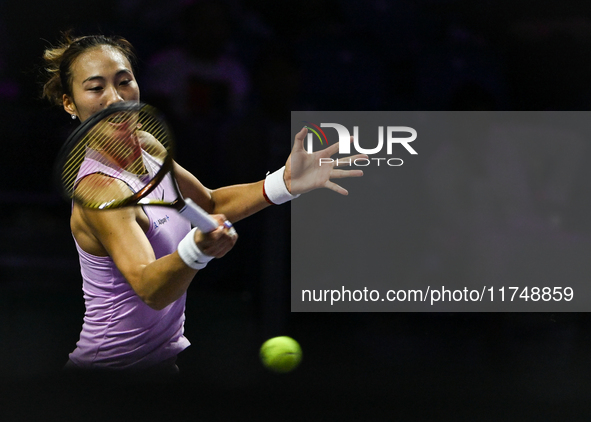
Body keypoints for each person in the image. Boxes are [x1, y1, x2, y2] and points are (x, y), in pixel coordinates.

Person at [42, 34, 365, 374]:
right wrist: (195, 251)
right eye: (95, 88)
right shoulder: (101, 191)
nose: (116, 98)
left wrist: (282, 184)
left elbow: (208, 203)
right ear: (69, 103)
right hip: (107, 380)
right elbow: (150, 288)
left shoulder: (147, 145)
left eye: (124, 82)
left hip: (158, 368)